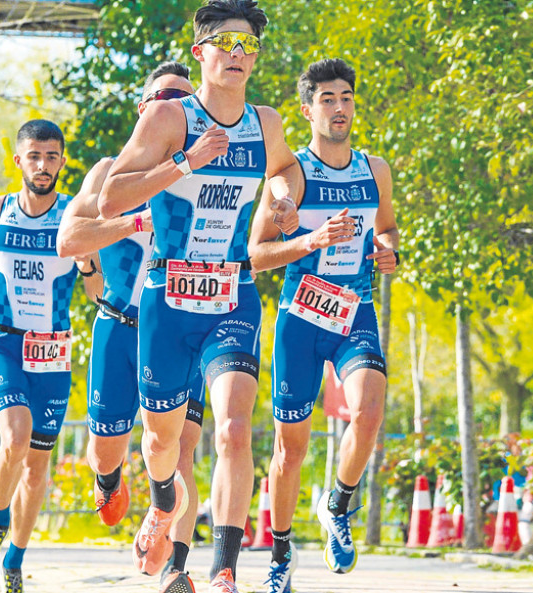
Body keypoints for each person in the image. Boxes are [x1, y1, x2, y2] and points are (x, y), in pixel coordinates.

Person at [98, 2, 302, 591]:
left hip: (233, 292)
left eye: (247, 45)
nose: (237, 54)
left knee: (234, 429)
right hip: (168, 295)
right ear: (200, 53)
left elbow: (286, 167)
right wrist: (184, 162)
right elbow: (113, 196)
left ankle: (224, 569)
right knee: (162, 441)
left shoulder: (265, 123)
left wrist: (284, 200)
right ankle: (163, 501)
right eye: (225, 43)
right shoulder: (169, 119)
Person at [248, 58, 399, 590]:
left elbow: (387, 231)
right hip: (300, 320)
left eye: (347, 99)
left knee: (370, 409)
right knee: (290, 450)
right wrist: (311, 241)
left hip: (354, 310)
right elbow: (256, 253)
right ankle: (281, 554)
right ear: (308, 109)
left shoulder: (373, 169)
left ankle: (337, 506)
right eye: (328, 100)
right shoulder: (292, 177)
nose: (339, 108)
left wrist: (386, 253)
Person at [56, 61, 205, 593]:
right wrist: (134, 222)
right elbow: (68, 241)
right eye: (163, 96)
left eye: (184, 100)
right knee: (107, 449)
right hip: (119, 326)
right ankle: (109, 480)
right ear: (145, 109)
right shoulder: (109, 171)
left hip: (184, 326)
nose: (174, 107)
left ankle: (176, 567)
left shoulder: (208, 169)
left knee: (179, 448)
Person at [0, 119, 101, 593]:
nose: (43, 166)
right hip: (4, 340)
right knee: (15, 436)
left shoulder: (73, 216)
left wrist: (86, 262)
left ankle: (15, 558)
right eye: (34, 157)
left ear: (63, 160)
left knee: (38, 465)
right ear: (19, 161)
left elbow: (97, 289)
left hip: (53, 351)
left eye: (52, 156)